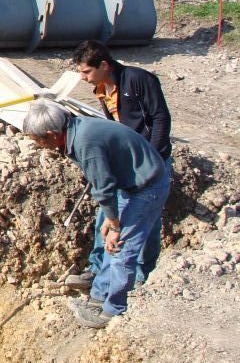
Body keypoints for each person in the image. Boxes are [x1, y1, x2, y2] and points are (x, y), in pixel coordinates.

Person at [23, 101, 170, 328]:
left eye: (38, 140)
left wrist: (114, 225)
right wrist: (110, 219)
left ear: (52, 134)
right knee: (108, 241)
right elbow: (103, 178)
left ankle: (114, 309)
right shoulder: (76, 130)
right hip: (130, 183)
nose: (38, 146)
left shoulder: (85, 142)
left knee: (121, 248)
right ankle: (99, 296)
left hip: (146, 187)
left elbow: (103, 186)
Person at [63, 40, 172, 290]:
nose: (82, 77)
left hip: (151, 162)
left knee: (147, 221)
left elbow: (160, 118)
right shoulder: (102, 88)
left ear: (104, 64)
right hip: (126, 163)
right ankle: (97, 267)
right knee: (108, 214)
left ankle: (142, 274)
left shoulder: (138, 80)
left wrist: (151, 157)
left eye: (86, 71)